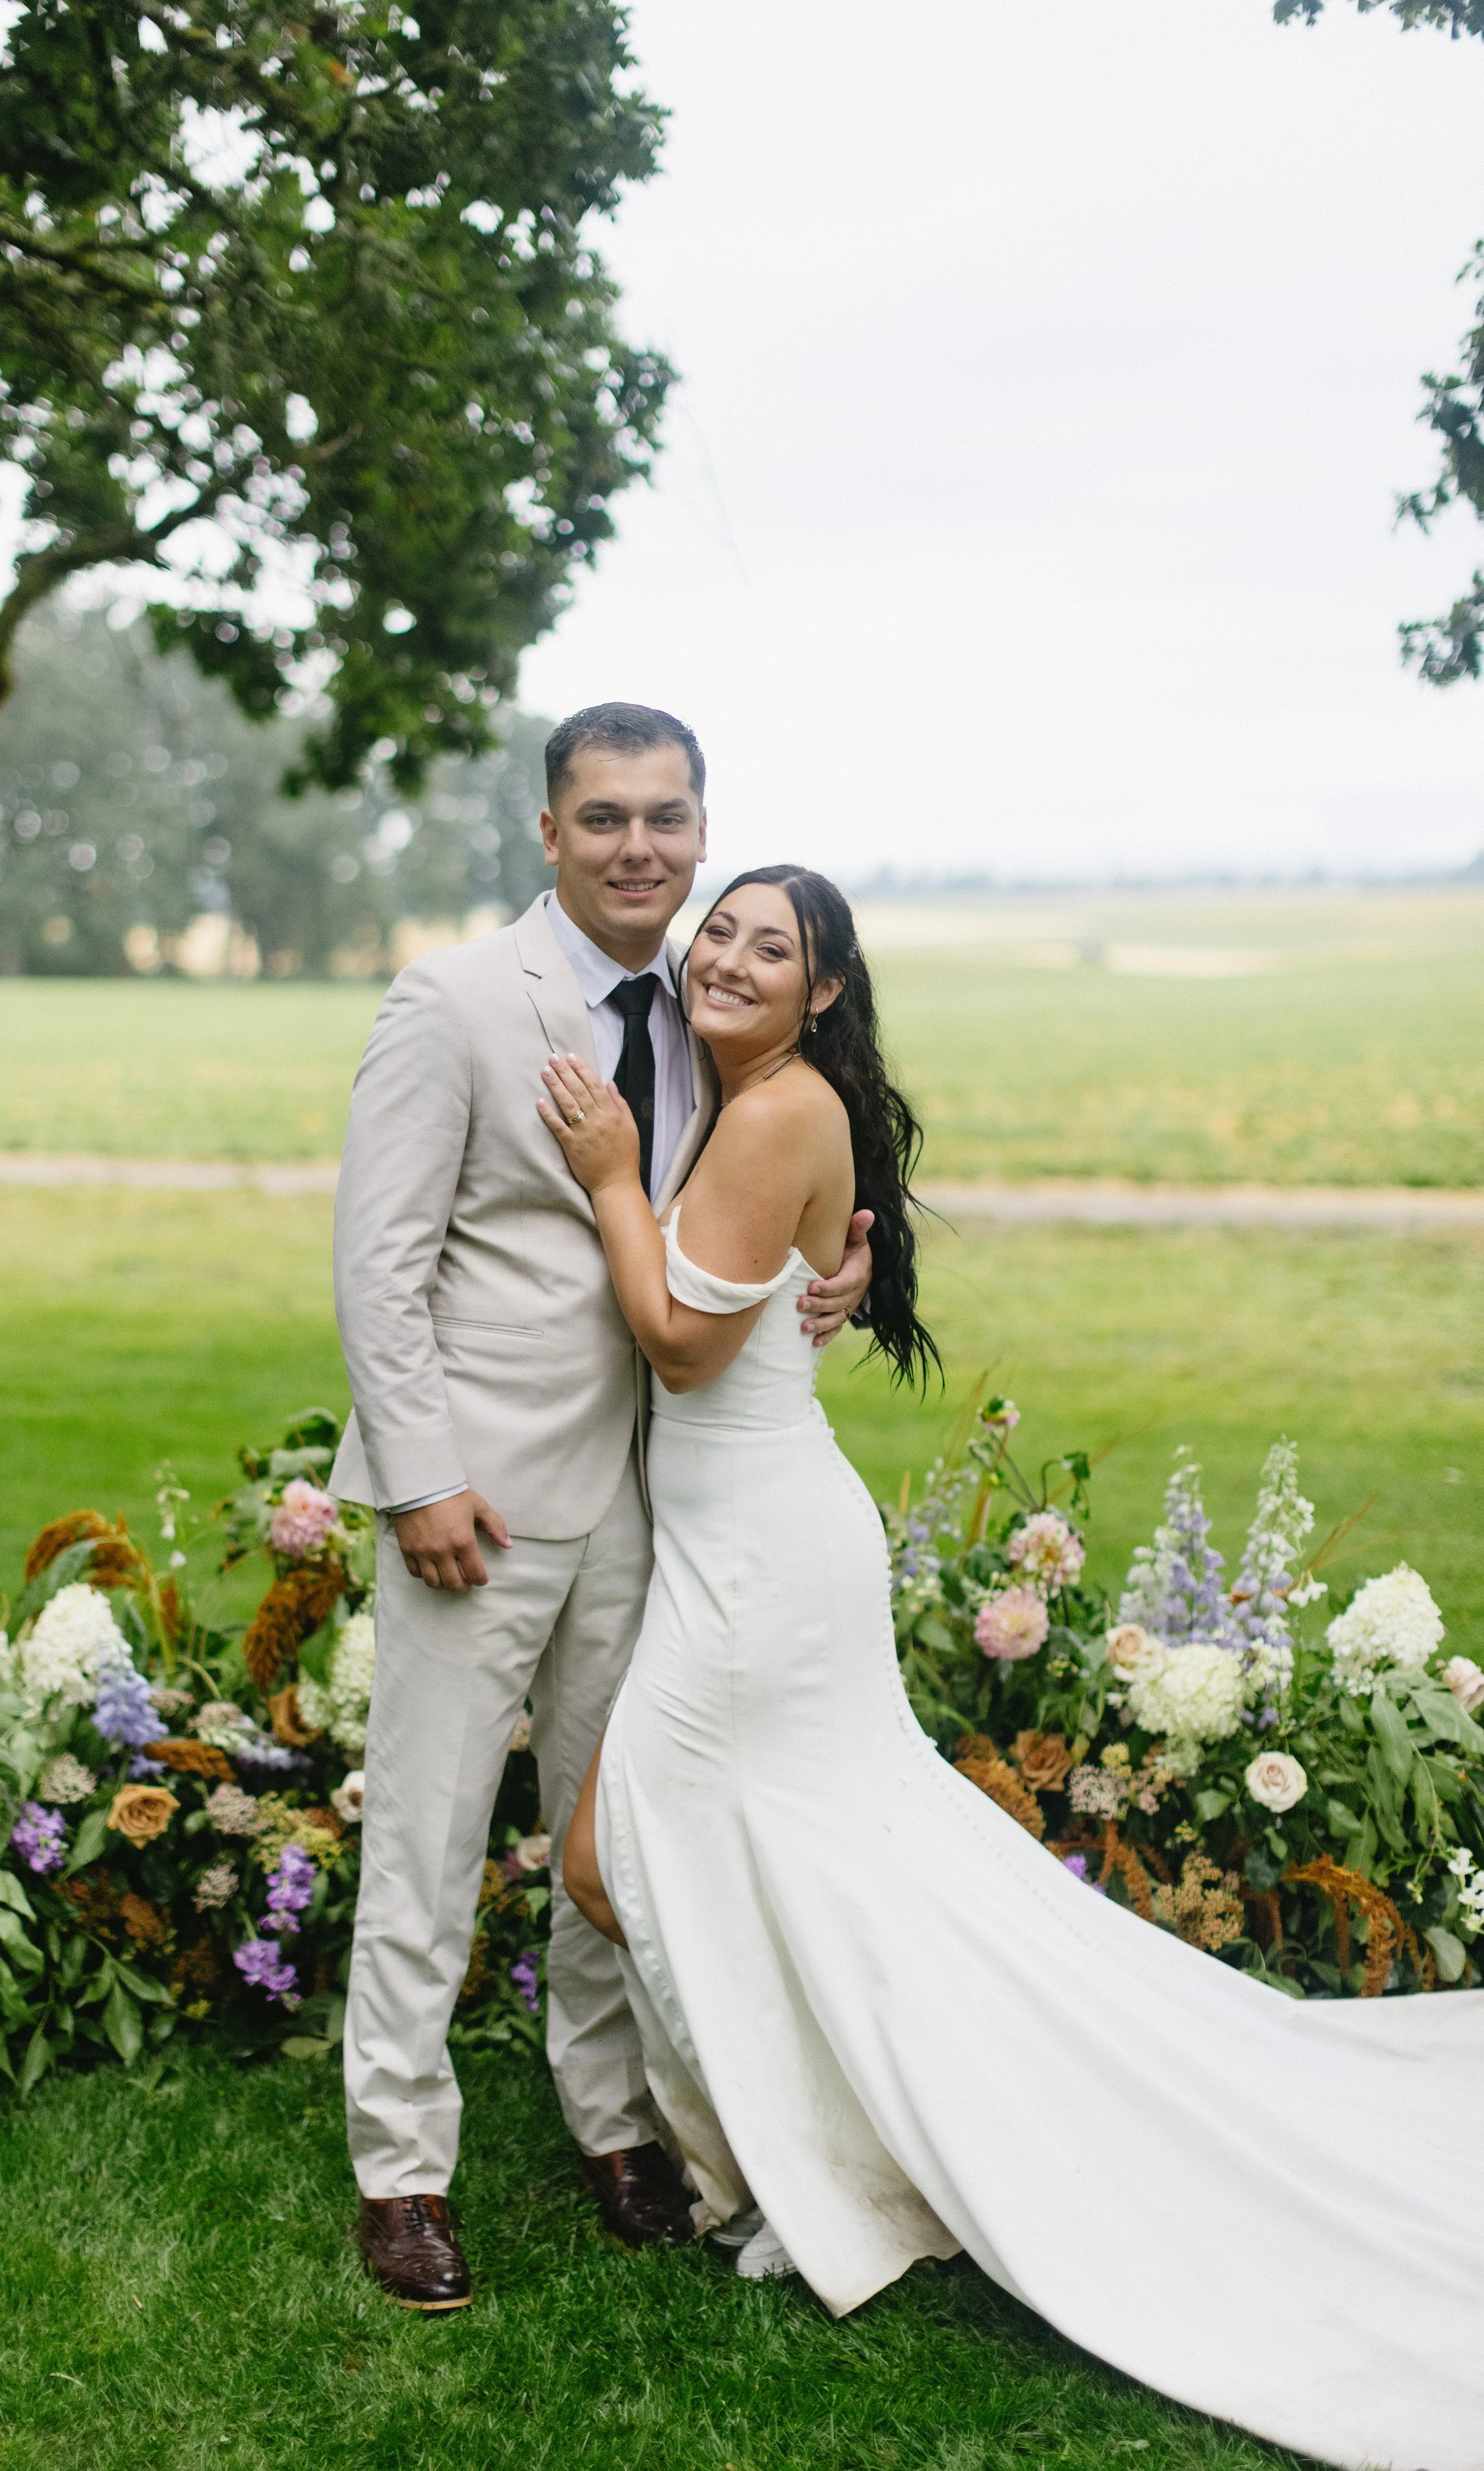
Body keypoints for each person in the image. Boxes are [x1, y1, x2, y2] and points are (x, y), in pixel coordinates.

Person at [546, 862, 1484, 2471]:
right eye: (721, 929)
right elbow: (799, 1275)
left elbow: (681, 1340)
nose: (727, 954)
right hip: (756, 1538)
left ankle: (863, 2132)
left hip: (761, 1562)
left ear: (823, 989)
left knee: (613, 1856)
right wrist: (793, 1267)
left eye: (771, 946)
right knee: (790, 1851)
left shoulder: (765, 1111)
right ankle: (859, 2118)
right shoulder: (774, 1096)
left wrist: (613, 1175)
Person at [329, 706, 874, 2309]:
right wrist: (421, 1471)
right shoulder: (450, 1001)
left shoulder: (715, 1016)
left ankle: (610, 2119)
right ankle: (402, 2166)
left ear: (702, 833)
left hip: (664, 1504)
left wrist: (846, 1258)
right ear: (550, 832)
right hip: (479, 1504)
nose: (637, 846)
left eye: (666, 817)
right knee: (426, 1842)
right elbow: (380, 1262)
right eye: (603, 817)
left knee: (614, 1832)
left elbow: (781, 1175)